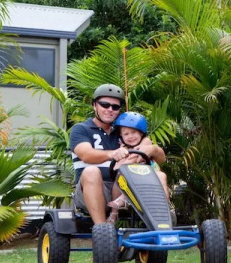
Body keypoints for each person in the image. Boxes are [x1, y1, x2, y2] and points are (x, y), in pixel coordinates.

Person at [69, 84, 166, 225]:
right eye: (105, 104)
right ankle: (102, 229)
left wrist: (152, 149)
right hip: (90, 190)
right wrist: (113, 154)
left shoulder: (124, 132)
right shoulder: (81, 129)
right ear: (94, 105)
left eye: (115, 107)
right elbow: (86, 154)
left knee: (159, 175)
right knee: (91, 171)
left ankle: (163, 221)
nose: (110, 109)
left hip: (126, 189)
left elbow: (161, 158)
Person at [107, 111, 172, 223]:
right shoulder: (123, 149)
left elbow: (136, 158)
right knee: (119, 178)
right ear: (121, 136)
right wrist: (122, 160)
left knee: (162, 176)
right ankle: (114, 213)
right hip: (130, 179)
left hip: (150, 178)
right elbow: (116, 168)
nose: (130, 136)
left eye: (134, 132)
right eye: (126, 134)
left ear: (141, 133)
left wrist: (125, 160)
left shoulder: (146, 142)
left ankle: (166, 209)